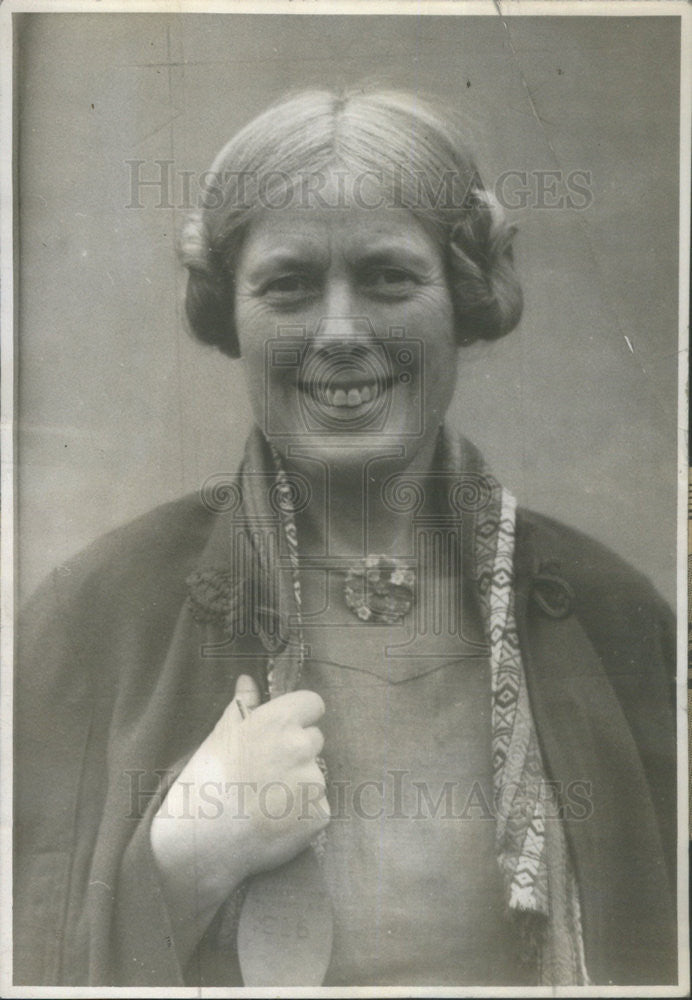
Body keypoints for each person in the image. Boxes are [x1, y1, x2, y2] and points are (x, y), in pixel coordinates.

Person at [14, 88, 677, 988]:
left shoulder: (614, 618)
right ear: (231, 312)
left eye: (388, 279)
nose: (338, 331)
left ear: (462, 298)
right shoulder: (95, 618)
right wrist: (183, 858)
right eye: (288, 286)